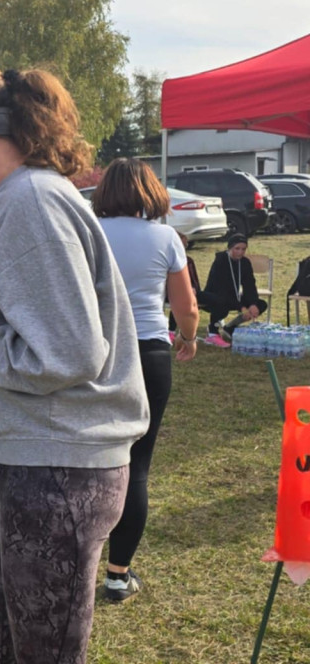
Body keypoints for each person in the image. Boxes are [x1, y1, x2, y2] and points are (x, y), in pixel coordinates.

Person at [0, 56, 148, 664]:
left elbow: (68, 354)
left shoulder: (30, 202)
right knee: (10, 644)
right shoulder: (16, 197)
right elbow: (43, 337)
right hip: (35, 459)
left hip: (59, 470)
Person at [91, 157, 199, 602]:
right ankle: (118, 575)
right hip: (149, 351)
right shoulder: (165, 237)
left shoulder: (89, 232)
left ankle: (77, 560)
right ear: (150, 192)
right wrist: (189, 339)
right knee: (138, 463)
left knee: (89, 459)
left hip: (95, 352)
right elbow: (186, 308)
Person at [202, 233, 269, 345]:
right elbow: (222, 290)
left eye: (243, 249)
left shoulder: (245, 262)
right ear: (230, 248)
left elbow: (250, 285)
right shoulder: (221, 260)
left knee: (260, 304)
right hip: (216, 296)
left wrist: (252, 303)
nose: (240, 252)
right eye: (237, 249)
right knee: (221, 304)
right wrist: (242, 307)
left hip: (233, 297)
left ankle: (230, 327)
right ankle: (212, 332)